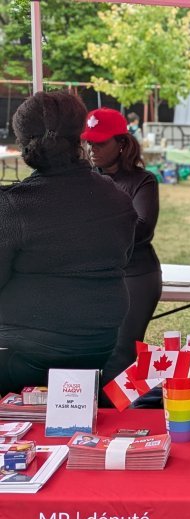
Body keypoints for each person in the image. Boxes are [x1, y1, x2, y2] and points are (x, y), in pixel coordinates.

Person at [0, 91, 136, 394]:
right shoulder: (116, 197)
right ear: (80, 138)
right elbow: (122, 256)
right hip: (99, 348)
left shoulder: (14, 206)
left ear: (24, 145)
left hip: (25, 355)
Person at [81, 108, 162, 405]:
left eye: (100, 143)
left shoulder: (143, 181)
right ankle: (94, 411)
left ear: (122, 144)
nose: (92, 149)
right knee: (89, 348)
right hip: (93, 275)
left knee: (121, 351)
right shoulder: (84, 179)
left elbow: (141, 229)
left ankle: (113, 415)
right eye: (89, 142)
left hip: (135, 274)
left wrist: (91, 226)